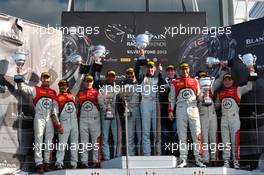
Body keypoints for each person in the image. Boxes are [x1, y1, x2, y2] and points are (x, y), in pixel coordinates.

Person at [17, 71, 63, 173]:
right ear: (41, 79)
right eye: (44, 78)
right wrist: (19, 81)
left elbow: (55, 108)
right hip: (39, 117)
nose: (46, 79)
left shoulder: (53, 92)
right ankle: (39, 163)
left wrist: (57, 122)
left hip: (49, 118)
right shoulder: (36, 89)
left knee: (49, 140)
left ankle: (47, 163)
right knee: (38, 139)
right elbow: (23, 88)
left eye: (48, 78)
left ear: (50, 79)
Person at [168, 62, 205, 168]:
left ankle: (198, 159)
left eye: (186, 69)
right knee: (182, 136)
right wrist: (170, 111)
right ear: (180, 70)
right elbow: (171, 98)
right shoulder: (175, 82)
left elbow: (200, 97)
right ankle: (183, 159)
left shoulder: (195, 81)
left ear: (189, 69)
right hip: (180, 109)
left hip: (193, 108)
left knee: (197, 135)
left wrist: (205, 94)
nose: (184, 71)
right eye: (182, 69)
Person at [217, 73, 255, 169]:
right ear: (223, 81)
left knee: (235, 141)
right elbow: (216, 106)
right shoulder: (220, 93)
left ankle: (236, 162)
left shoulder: (238, 89)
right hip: (224, 119)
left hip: (234, 118)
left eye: (229, 80)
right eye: (225, 80)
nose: (227, 81)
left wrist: (251, 73)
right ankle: (226, 162)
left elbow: (249, 87)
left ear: (232, 81)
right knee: (225, 141)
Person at [196, 69, 225, 166]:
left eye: (204, 76)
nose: (203, 78)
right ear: (198, 78)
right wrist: (202, 94)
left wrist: (224, 68)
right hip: (202, 115)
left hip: (212, 115)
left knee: (213, 138)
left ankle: (214, 158)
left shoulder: (211, 87)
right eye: (201, 77)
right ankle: (206, 160)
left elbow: (220, 80)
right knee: (204, 138)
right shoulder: (196, 88)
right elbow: (197, 99)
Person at [135, 60, 162, 156]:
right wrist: (141, 57)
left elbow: (163, 85)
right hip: (145, 102)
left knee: (156, 131)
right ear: (146, 69)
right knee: (146, 131)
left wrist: (161, 73)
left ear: (154, 69)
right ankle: (147, 154)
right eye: (148, 67)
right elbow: (136, 70)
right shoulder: (142, 77)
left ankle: (157, 154)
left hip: (155, 103)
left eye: (152, 67)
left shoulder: (157, 78)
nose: (150, 69)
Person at [77, 75, 104, 168]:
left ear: (92, 82)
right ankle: (84, 162)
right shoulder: (80, 93)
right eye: (87, 81)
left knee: (95, 141)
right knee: (83, 141)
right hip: (83, 119)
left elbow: (102, 105)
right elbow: (76, 107)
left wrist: (107, 108)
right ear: (84, 82)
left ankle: (96, 161)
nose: (88, 83)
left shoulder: (97, 93)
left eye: (90, 81)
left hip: (94, 120)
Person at [54, 79, 78, 169]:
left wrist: (82, 72)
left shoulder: (72, 95)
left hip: (74, 122)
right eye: (61, 85)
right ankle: (59, 163)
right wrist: (58, 125)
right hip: (64, 122)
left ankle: (74, 163)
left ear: (67, 87)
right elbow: (54, 113)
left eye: (64, 85)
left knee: (74, 144)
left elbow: (78, 83)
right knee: (62, 144)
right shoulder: (57, 98)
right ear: (59, 87)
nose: (62, 87)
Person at [119, 67, 142, 156]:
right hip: (129, 110)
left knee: (140, 134)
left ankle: (141, 154)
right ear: (126, 75)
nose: (130, 75)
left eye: (131, 73)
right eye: (128, 74)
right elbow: (121, 98)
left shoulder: (139, 84)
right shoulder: (123, 86)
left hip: (139, 110)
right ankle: (131, 155)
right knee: (130, 135)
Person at [100, 70, 122, 160]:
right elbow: (100, 99)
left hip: (115, 114)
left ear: (115, 78)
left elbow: (122, 99)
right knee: (105, 135)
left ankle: (117, 156)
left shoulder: (118, 88)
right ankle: (106, 157)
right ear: (106, 77)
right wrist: (105, 108)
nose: (111, 78)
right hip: (105, 113)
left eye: (112, 76)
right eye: (109, 76)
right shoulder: (102, 88)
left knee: (116, 136)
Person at [159, 65, 178, 155]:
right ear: (166, 72)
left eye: (172, 71)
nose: (171, 72)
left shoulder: (178, 81)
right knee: (165, 133)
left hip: (176, 111)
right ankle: (166, 154)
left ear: (174, 72)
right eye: (169, 71)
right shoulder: (163, 82)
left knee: (175, 133)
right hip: (165, 111)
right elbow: (160, 96)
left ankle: (175, 154)